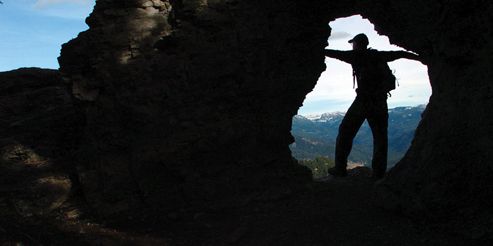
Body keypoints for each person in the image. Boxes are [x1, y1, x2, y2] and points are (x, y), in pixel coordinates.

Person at [324, 33, 421, 180]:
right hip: (380, 101)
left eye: (353, 43)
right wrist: (421, 57)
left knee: (345, 131)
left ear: (357, 44)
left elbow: (334, 54)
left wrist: (315, 49)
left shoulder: (356, 56)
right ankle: (379, 174)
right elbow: (400, 54)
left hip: (363, 100)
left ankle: (340, 168)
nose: (352, 46)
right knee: (380, 137)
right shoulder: (379, 55)